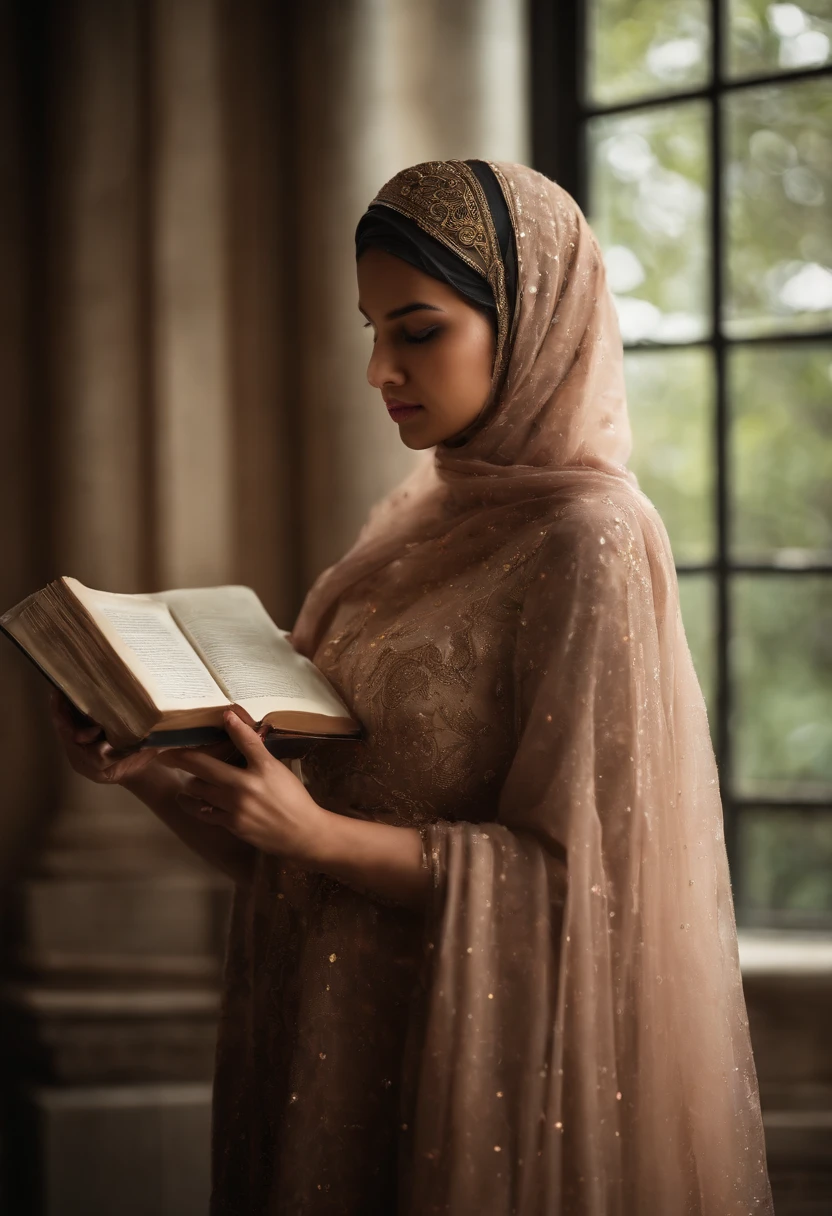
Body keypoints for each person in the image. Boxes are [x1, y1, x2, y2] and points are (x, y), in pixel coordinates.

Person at [50, 160, 774, 1214]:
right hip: (313, 1039)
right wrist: (152, 776)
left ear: (528, 321)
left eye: (417, 329)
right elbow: (297, 839)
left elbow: (586, 886)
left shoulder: (591, 537)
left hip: (460, 1069)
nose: (381, 367)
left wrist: (315, 838)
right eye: (371, 330)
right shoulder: (412, 526)